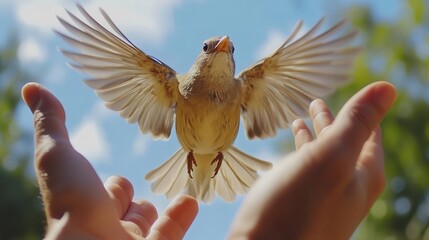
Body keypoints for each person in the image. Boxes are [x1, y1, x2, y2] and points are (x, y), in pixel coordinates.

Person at [21, 81, 396, 239]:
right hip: (188, 155)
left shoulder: (245, 84)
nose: (223, 52)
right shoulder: (169, 81)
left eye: (230, 51)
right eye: (209, 46)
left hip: (222, 155)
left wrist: (79, 235)